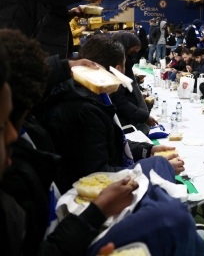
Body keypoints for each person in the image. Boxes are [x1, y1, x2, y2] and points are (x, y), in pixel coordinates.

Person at [0, 32, 147, 256]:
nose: (10, 135)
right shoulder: (80, 109)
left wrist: (147, 150)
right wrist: (97, 213)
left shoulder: (36, 125)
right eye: (2, 125)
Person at [40, 36, 183, 193]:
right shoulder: (84, 109)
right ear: (118, 69)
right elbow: (97, 175)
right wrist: (157, 167)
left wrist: (146, 151)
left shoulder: (87, 95)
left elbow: (105, 146)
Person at [109, 33, 158, 135]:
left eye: (137, 51)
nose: (135, 53)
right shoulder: (118, 67)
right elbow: (119, 100)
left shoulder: (127, 64)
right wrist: (143, 116)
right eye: (134, 50)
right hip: (125, 122)